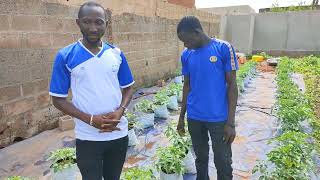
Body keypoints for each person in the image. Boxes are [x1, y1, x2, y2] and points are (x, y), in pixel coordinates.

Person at [49, 2, 134, 180]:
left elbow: (128, 88)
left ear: (106, 23)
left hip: (118, 132)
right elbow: (58, 99)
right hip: (88, 137)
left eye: (99, 22)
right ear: (78, 23)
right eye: (87, 22)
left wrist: (120, 111)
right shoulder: (66, 56)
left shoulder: (116, 53)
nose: (93, 28)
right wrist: (90, 120)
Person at [176, 16, 238, 180]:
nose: (185, 45)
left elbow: (232, 85)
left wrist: (231, 123)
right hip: (195, 118)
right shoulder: (186, 54)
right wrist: (181, 117)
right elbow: (187, 86)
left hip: (219, 119)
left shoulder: (223, 48)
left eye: (186, 40)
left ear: (197, 32)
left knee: (223, 161)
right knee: (201, 159)